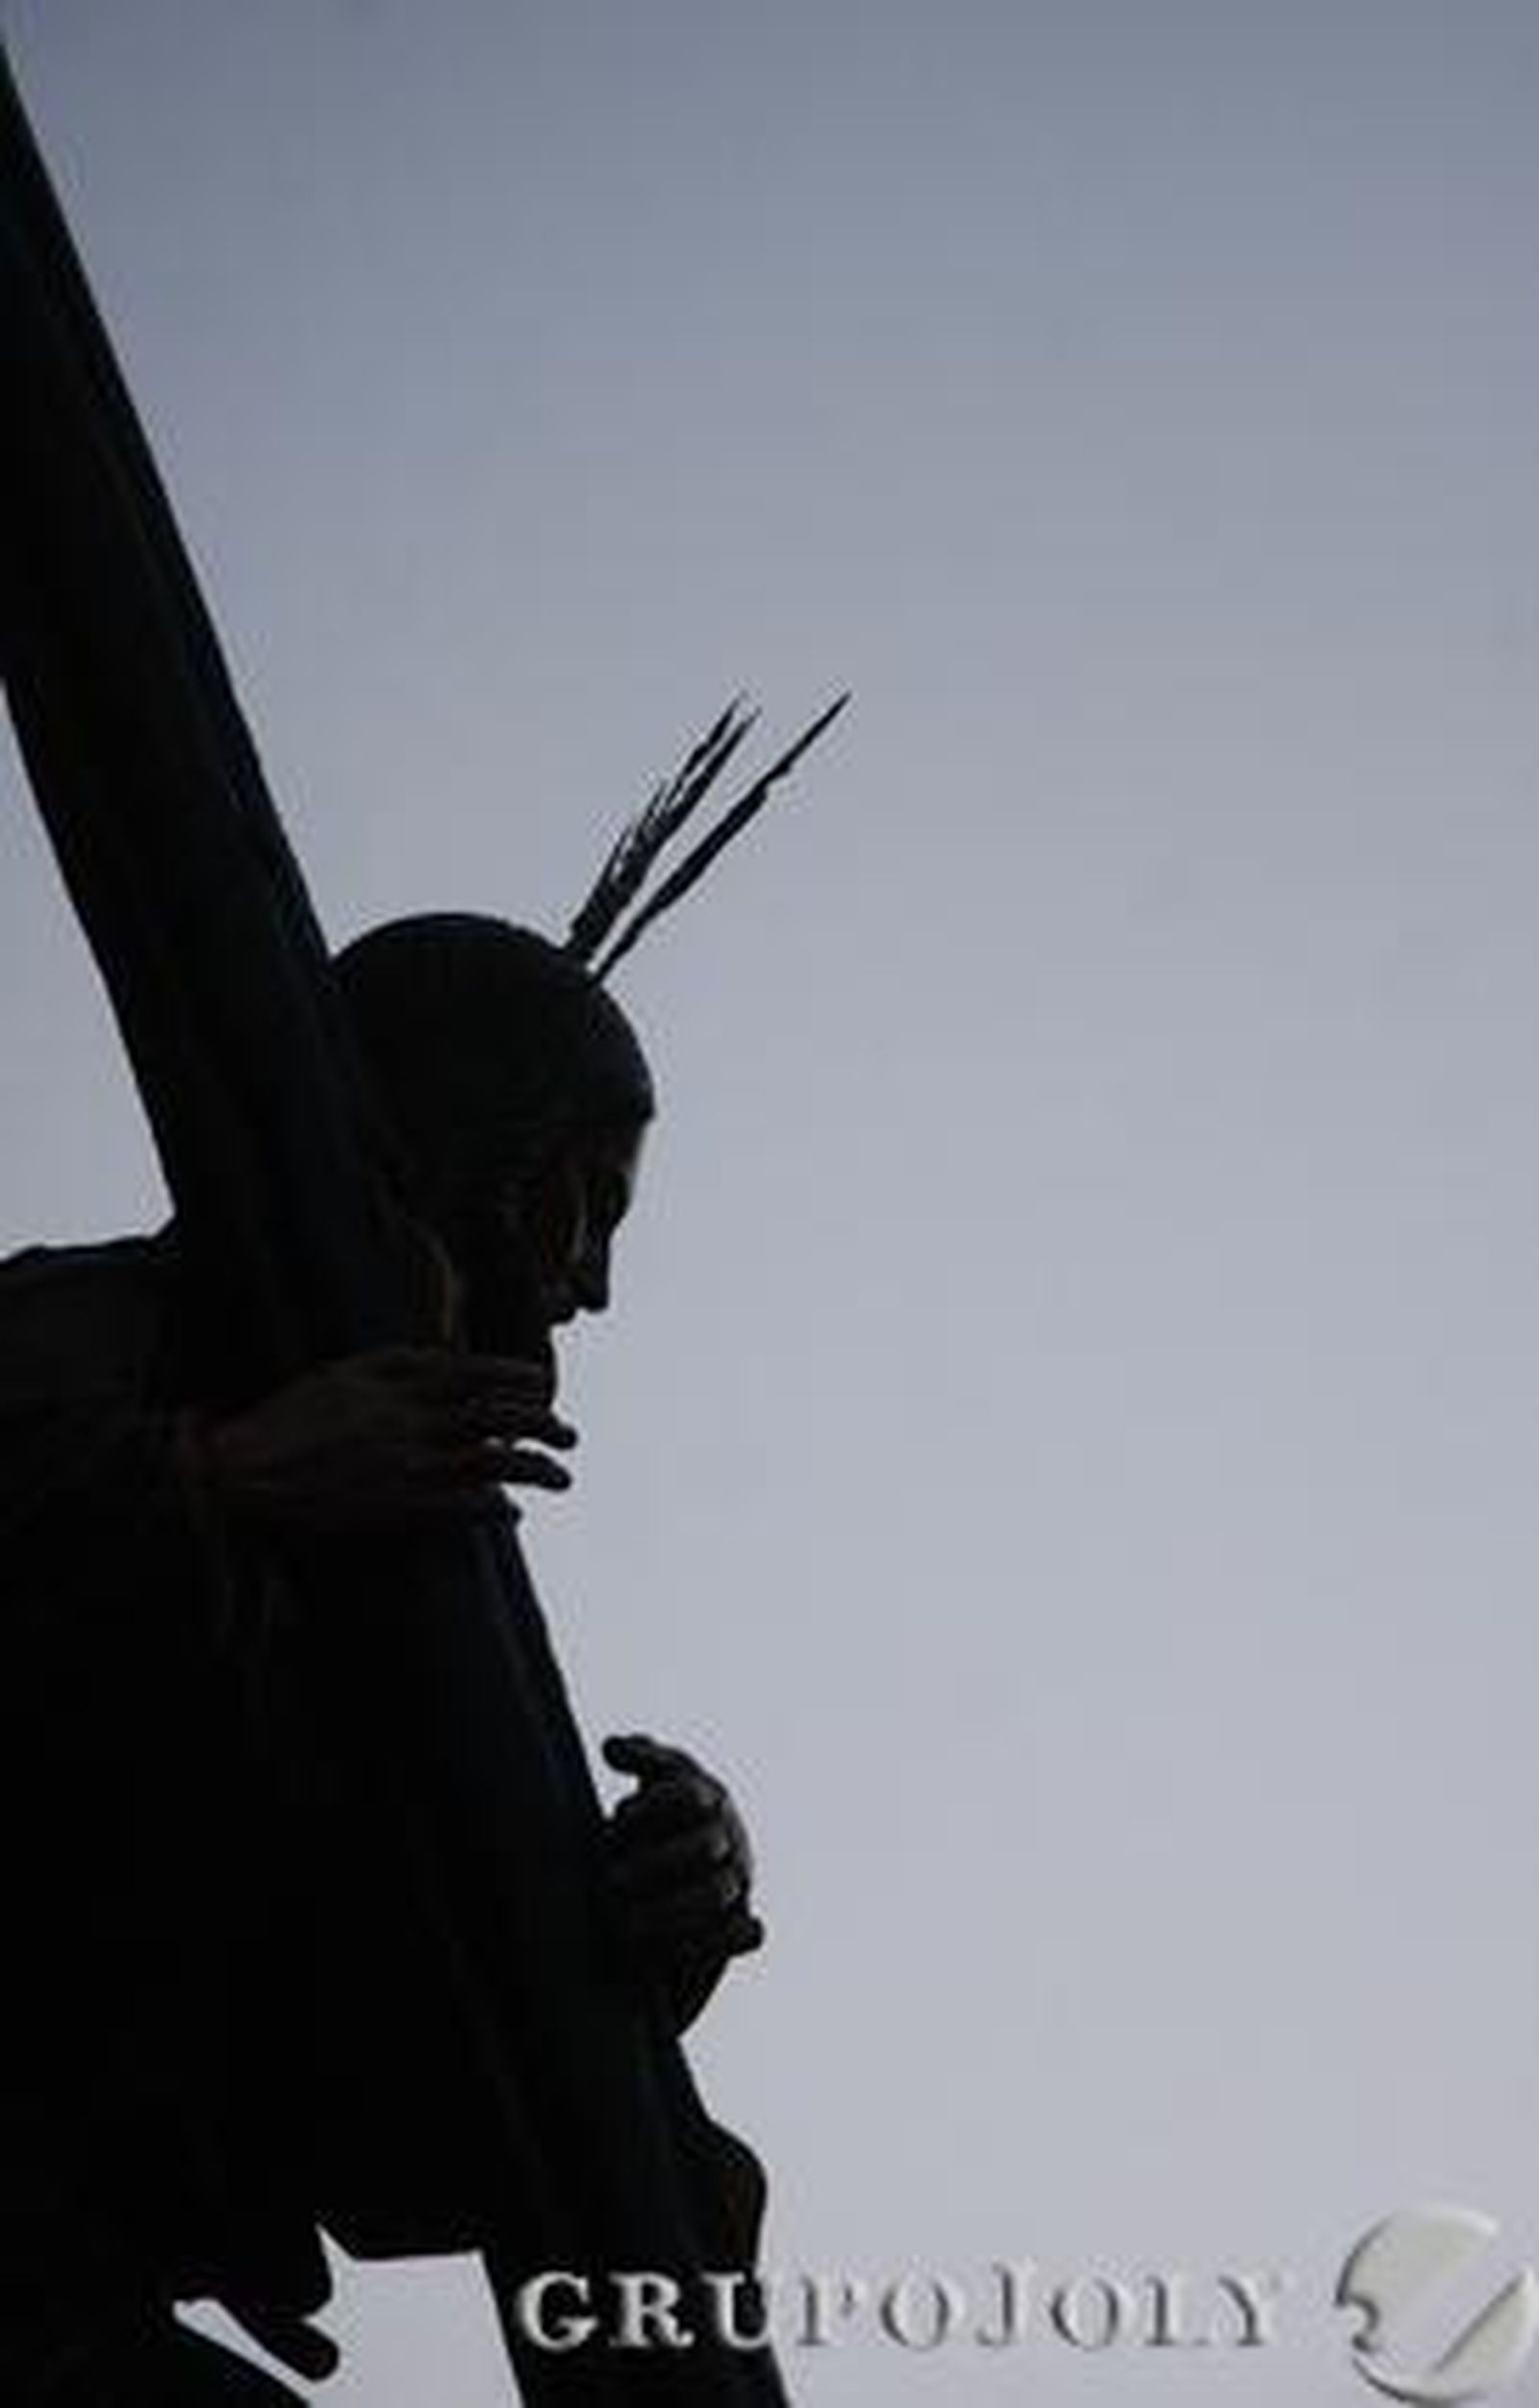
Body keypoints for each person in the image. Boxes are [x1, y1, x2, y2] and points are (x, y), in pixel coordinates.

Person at [0, 914, 764, 2404]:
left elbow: (369, 2134)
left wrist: (645, 1924)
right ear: (474, 1152)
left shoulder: (402, 1603)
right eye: (573, 1206)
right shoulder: (86, 1335)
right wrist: (216, 1477)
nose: (591, 1284)